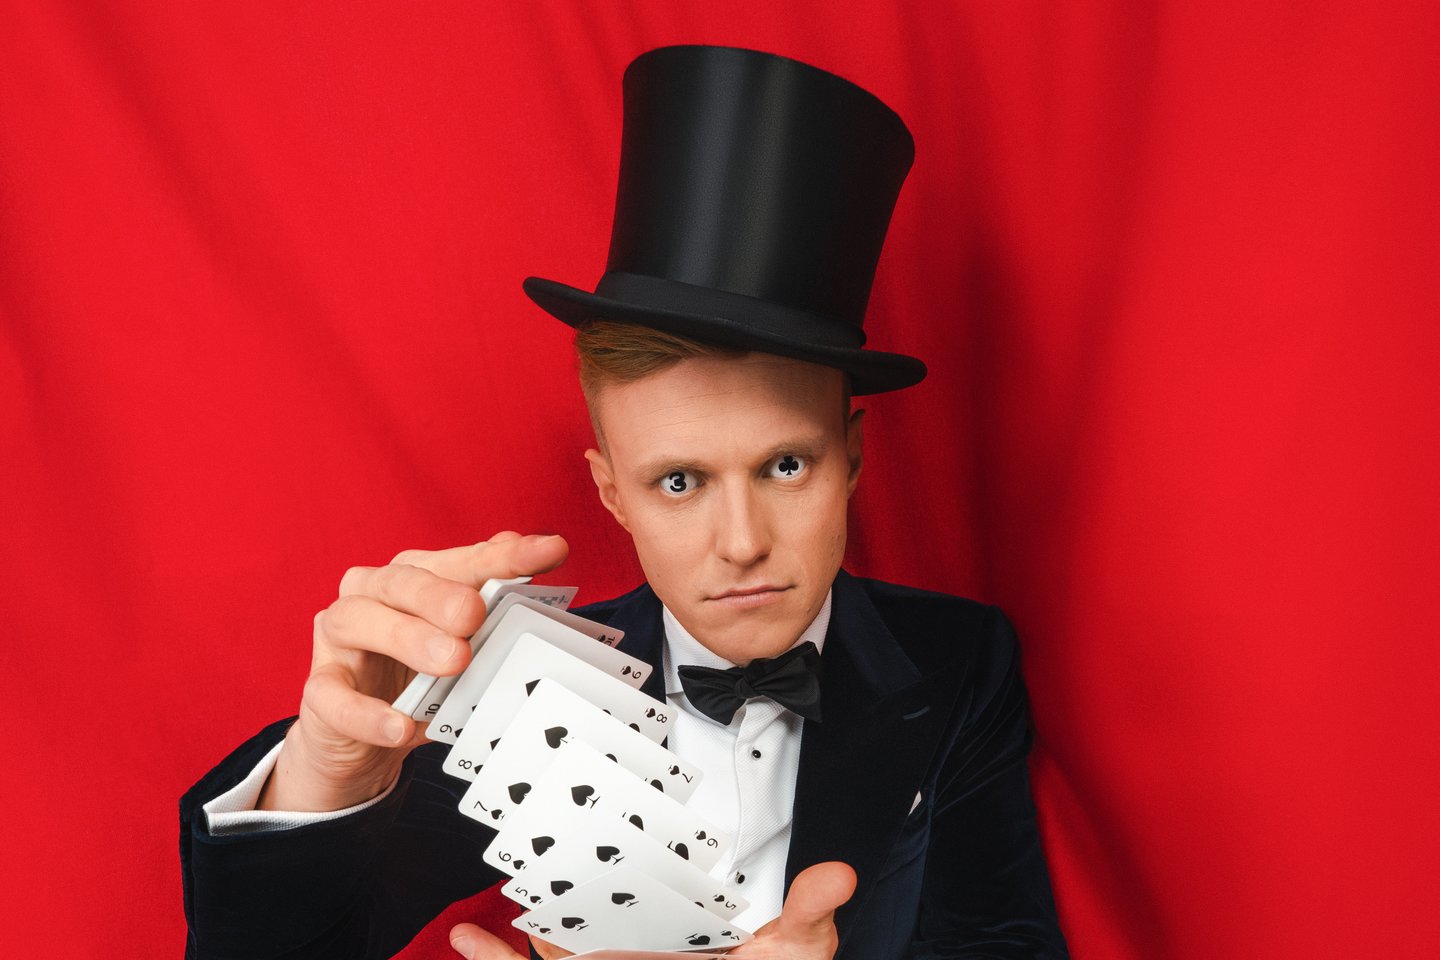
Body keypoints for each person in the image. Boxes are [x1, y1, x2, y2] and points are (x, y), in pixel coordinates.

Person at [179, 44, 1068, 960]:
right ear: (613, 493)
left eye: (784, 467)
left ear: (852, 460)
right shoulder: (515, 690)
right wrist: (322, 776)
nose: (742, 543)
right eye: (679, 482)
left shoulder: (959, 658)